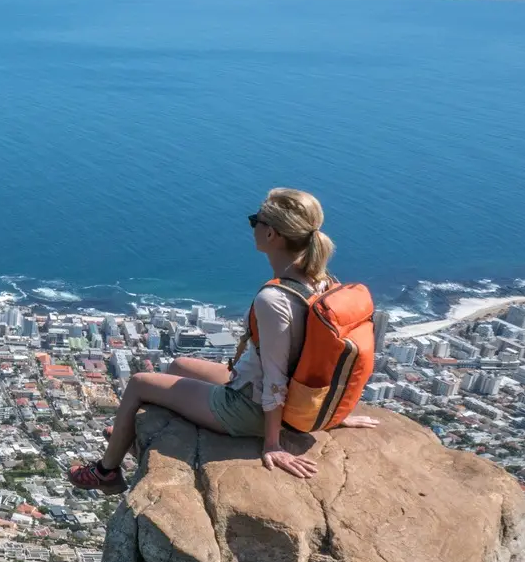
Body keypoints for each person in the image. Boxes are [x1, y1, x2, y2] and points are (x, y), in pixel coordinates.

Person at [68, 187, 377, 493]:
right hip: (282, 395)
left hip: (248, 407)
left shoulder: (275, 298)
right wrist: (332, 412)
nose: (253, 225)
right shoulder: (325, 282)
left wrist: (272, 443)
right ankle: (127, 433)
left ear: (272, 235)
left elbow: (274, 377)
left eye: (256, 220)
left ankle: (105, 473)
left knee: (138, 383)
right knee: (178, 365)